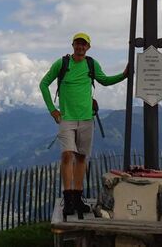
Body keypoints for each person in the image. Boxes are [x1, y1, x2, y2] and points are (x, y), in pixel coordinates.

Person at [39, 32, 127, 218]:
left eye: (83, 44)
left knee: (80, 158)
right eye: (77, 44)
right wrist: (52, 110)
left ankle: (77, 198)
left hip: (87, 119)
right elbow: (44, 84)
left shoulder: (91, 64)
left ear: (88, 47)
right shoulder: (62, 63)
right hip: (66, 119)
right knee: (66, 155)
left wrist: (124, 75)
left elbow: (104, 80)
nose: (80, 47)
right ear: (72, 45)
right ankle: (68, 198)